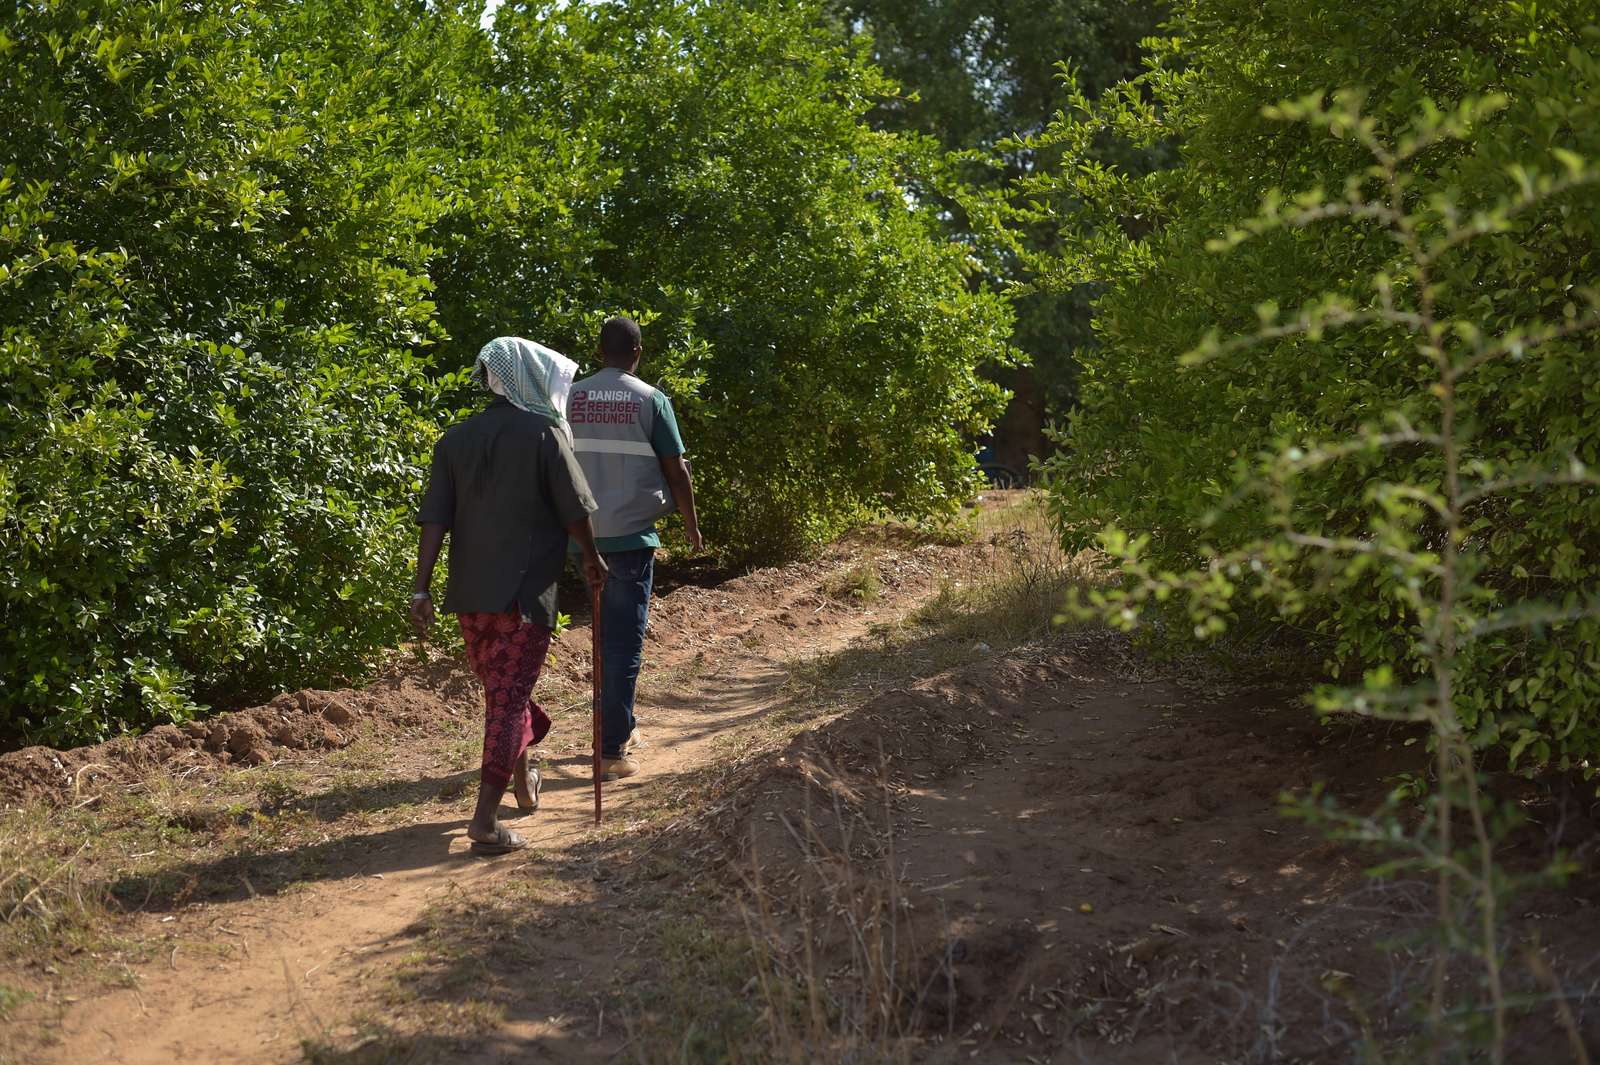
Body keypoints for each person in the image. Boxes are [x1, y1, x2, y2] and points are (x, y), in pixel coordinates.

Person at [412, 337, 607, 855]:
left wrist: (421, 586)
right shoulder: (544, 432)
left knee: (503, 693)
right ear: (528, 376)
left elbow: (435, 518)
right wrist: (591, 556)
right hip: (523, 593)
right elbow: (574, 508)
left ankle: (522, 782)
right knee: (508, 699)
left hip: (470, 594)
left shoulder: (456, 438)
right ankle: (484, 821)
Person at [568, 316, 702, 780]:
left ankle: (618, 728)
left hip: (583, 540)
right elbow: (676, 469)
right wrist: (691, 525)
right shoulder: (650, 399)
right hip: (630, 539)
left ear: (598, 351)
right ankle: (610, 751)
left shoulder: (570, 397)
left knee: (604, 637)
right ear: (638, 353)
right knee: (623, 644)